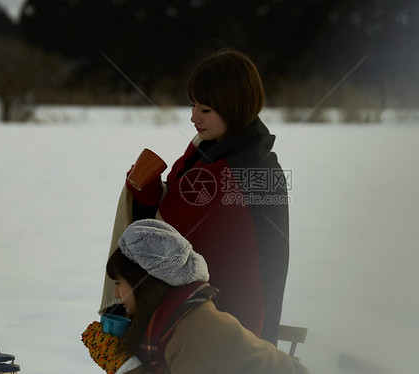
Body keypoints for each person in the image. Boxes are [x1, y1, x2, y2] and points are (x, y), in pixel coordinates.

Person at [100, 49, 290, 345]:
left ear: (234, 108)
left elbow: (161, 238)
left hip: (229, 325)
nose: (193, 117)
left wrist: (146, 194)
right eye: (193, 105)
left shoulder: (238, 170)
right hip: (208, 317)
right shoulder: (220, 152)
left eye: (205, 110)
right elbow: (179, 211)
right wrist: (153, 191)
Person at [83, 219, 307, 374]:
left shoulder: (193, 335)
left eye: (119, 283)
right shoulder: (173, 324)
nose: (115, 293)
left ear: (146, 285)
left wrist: (125, 365)